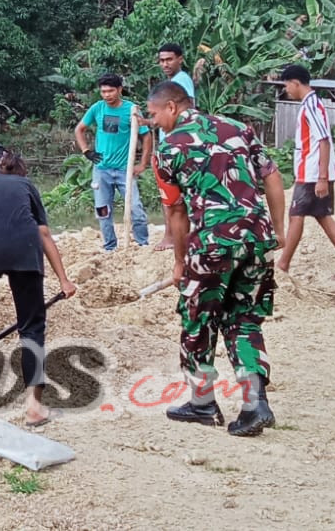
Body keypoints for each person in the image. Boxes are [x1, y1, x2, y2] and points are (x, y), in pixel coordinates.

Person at [147, 82, 284, 437]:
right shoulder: (238, 129)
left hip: (211, 243)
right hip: (255, 240)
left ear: (173, 108)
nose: (153, 121)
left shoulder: (168, 149)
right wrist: (277, 230)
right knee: (244, 320)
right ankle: (256, 405)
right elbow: (272, 176)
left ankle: (202, 402)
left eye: (154, 113)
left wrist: (180, 263)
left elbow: (176, 212)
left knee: (197, 321)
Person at [0, 147, 78, 427]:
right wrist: (64, 279)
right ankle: (34, 407)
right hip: (25, 249)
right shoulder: (26, 184)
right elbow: (43, 232)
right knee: (32, 326)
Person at [275, 65, 335, 280]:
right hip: (313, 171)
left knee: (296, 215)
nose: (287, 90)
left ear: (295, 83)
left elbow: (323, 141)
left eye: (287, 85)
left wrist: (321, 177)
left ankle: (283, 265)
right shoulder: (312, 104)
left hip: (312, 172)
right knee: (322, 216)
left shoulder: (311, 106)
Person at [74, 73, 152, 251]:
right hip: (102, 170)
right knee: (103, 210)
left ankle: (143, 244)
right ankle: (110, 246)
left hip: (126, 169)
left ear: (119, 90)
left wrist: (142, 163)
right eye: (103, 91)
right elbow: (80, 129)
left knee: (136, 209)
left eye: (110, 91)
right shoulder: (97, 108)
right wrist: (87, 151)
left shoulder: (132, 109)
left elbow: (146, 136)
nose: (107, 95)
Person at [151, 44, 196, 252]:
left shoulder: (182, 81)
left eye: (169, 59)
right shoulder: (172, 82)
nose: (165, 64)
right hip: (170, 140)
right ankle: (171, 234)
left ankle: (171, 236)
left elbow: (187, 108)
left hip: (175, 144)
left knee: (171, 192)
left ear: (180, 59)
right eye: (161, 60)